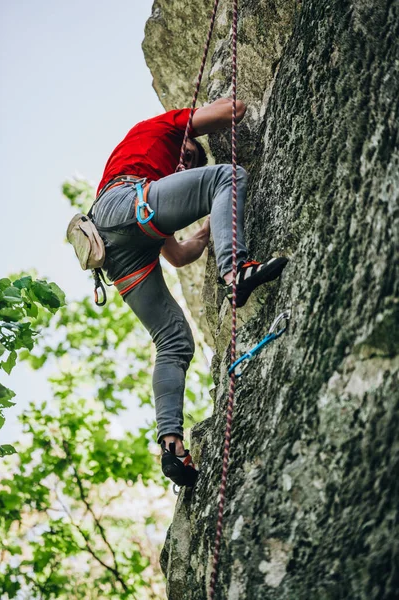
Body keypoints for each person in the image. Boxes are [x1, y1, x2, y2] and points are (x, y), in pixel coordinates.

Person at [92, 98, 288, 487]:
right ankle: (236, 272)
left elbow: (179, 256)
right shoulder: (160, 128)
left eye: (190, 164)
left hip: (115, 250)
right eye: (187, 154)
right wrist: (212, 114)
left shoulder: (154, 188)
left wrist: (204, 232)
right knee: (228, 176)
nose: (184, 165)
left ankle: (171, 445)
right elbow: (235, 110)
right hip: (121, 204)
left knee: (175, 342)